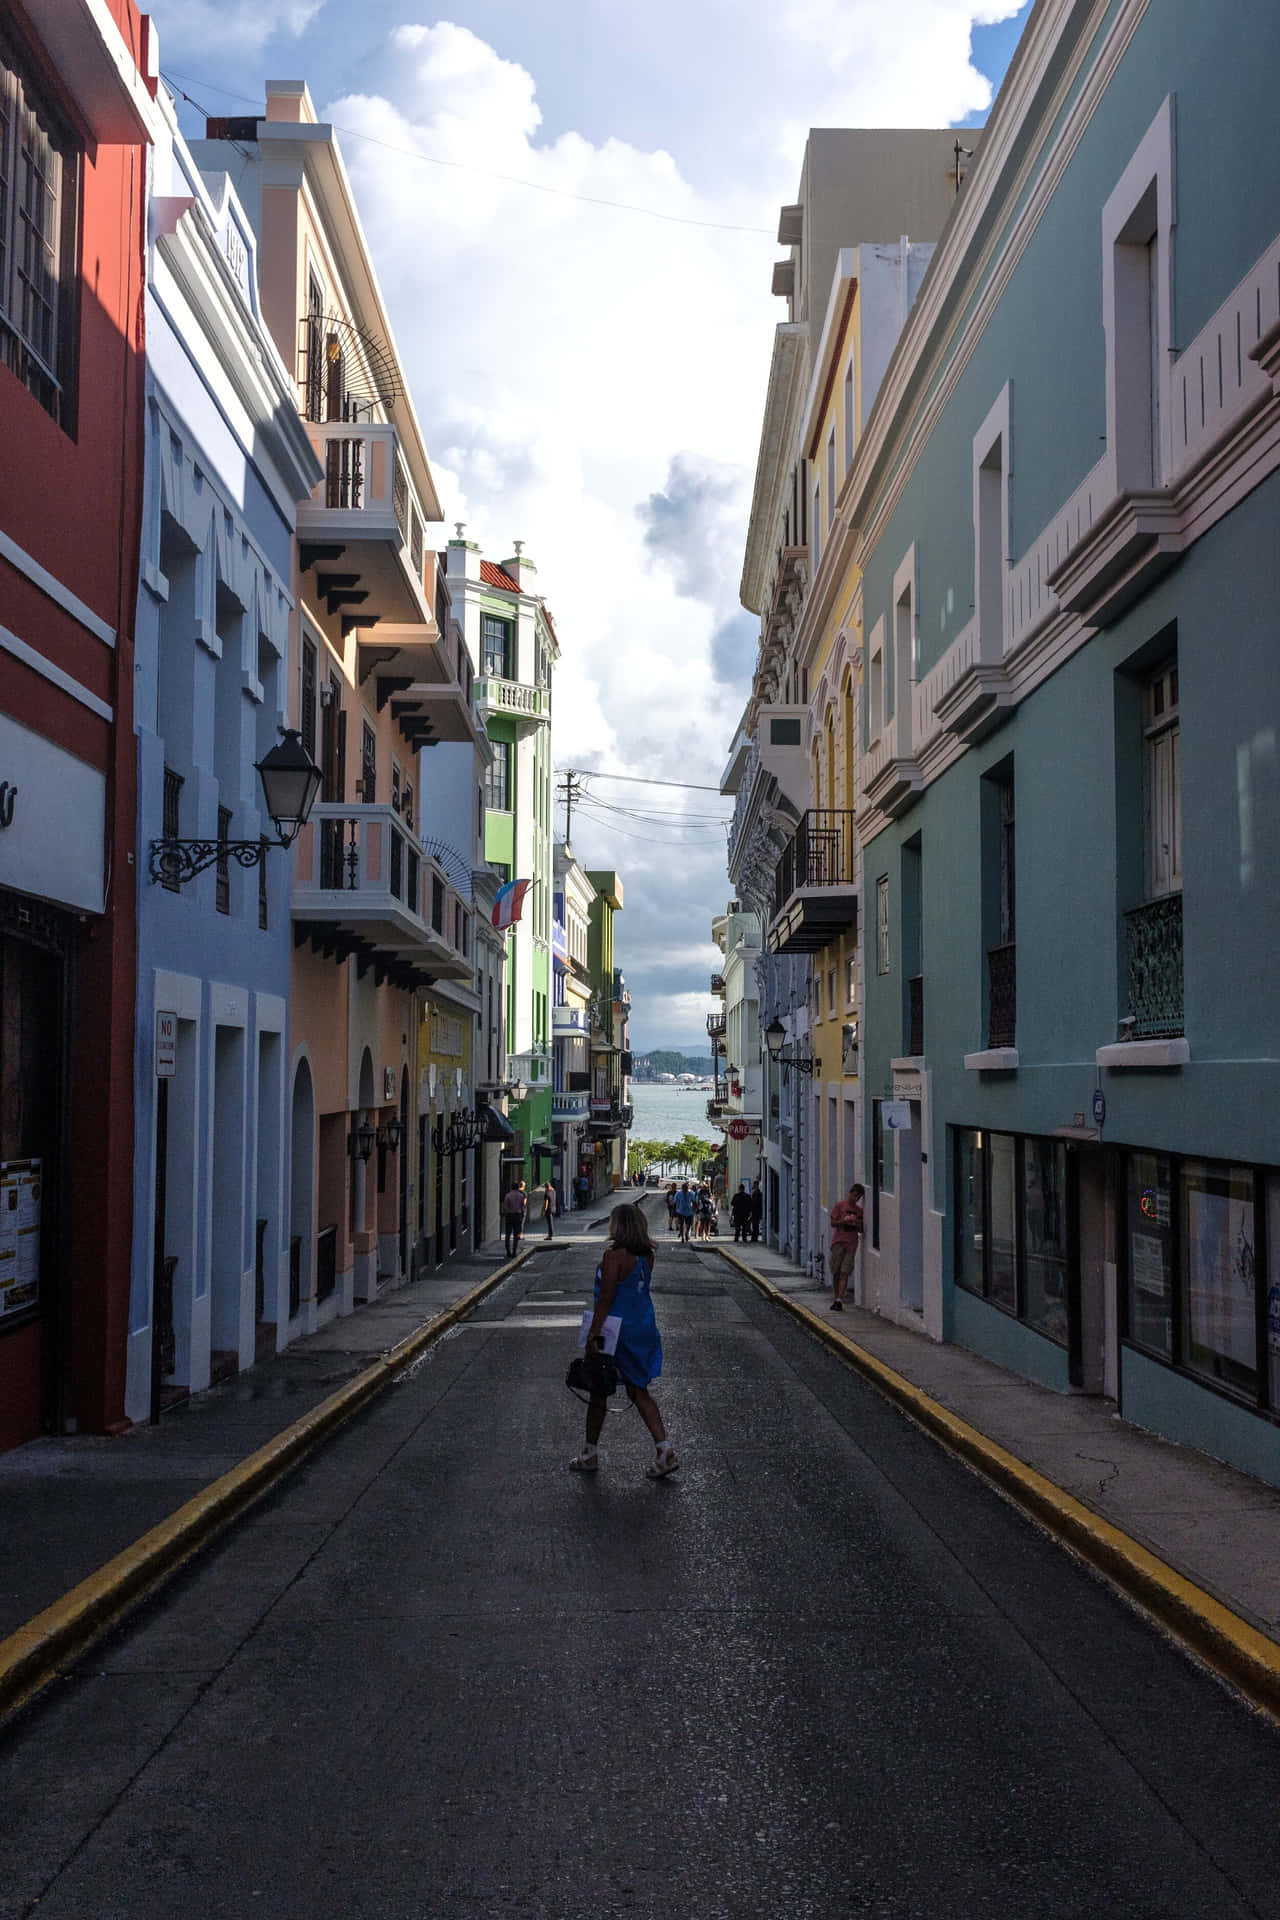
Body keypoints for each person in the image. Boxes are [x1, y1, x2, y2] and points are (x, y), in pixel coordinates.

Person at [569, 1202, 677, 1478]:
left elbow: (605, 1300)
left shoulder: (613, 1256)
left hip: (615, 1331)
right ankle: (664, 1448)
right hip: (643, 1326)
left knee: (598, 1390)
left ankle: (590, 1452)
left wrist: (593, 1336)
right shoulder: (646, 1257)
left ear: (620, 1225)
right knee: (638, 1390)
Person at [828, 1182, 865, 1310]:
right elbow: (832, 1223)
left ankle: (839, 1300)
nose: (855, 1199)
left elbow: (861, 1230)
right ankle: (836, 1297)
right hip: (838, 1242)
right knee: (836, 1272)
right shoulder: (840, 1206)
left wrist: (856, 1222)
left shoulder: (859, 1211)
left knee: (845, 1272)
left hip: (851, 1244)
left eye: (858, 1197)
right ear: (850, 1193)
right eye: (854, 1195)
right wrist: (843, 1221)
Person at [502, 1179, 527, 1257]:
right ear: (517, 1187)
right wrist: (522, 1215)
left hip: (509, 1215)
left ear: (511, 1187)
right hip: (517, 1216)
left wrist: (506, 1213)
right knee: (516, 1235)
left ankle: (508, 1251)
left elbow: (505, 1207)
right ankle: (514, 1251)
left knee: (508, 1234)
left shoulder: (508, 1195)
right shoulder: (521, 1195)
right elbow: (523, 1207)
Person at [540, 1176, 556, 1240]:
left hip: (549, 1209)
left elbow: (546, 1203)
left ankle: (550, 1235)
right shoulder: (553, 1191)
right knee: (551, 1222)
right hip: (553, 1208)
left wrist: (543, 1211)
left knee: (549, 1223)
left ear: (546, 1187)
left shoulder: (547, 1193)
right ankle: (551, 1234)